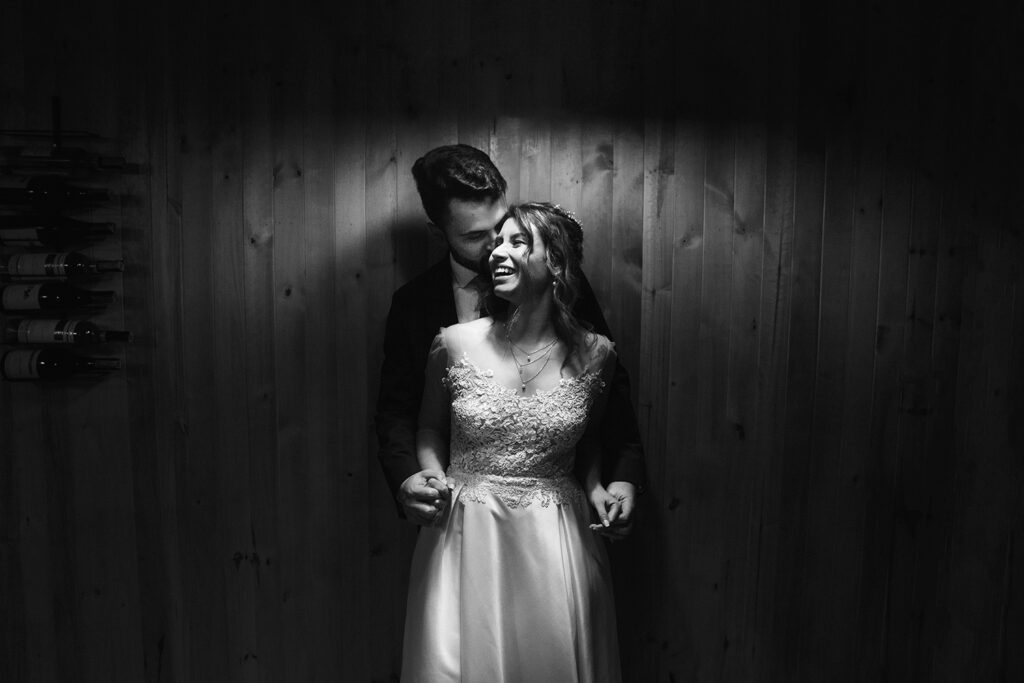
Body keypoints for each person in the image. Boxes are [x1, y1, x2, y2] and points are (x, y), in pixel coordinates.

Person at [375, 144, 645, 539]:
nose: (495, 246)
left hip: (553, 520)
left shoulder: (556, 280)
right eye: (475, 236)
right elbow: (397, 410)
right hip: (459, 519)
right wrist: (408, 477)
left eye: (500, 226)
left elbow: (605, 390)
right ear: (439, 232)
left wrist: (623, 477)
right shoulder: (413, 305)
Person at [402, 202, 622, 681]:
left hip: (556, 534)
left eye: (517, 242)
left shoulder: (597, 356)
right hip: (466, 529)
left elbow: (589, 440)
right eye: (497, 242)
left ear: (556, 262)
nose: (497, 253)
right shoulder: (454, 343)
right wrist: (432, 475)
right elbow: (429, 427)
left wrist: (597, 487)